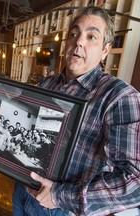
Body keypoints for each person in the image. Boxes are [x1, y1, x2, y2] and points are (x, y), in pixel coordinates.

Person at [13, 6, 140, 216]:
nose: (79, 41)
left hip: (62, 208)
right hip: (23, 190)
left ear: (105, 50)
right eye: (74, 34)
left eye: (92, 37)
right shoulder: (47, 84)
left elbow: (135, 182)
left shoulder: (120, 97)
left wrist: (60, 196)